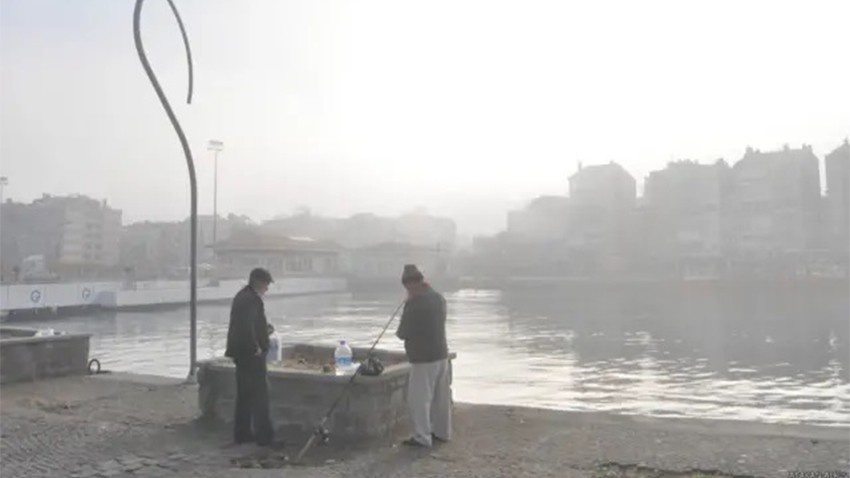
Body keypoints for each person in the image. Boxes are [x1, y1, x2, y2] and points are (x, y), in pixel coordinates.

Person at [395, 264, 452, 447]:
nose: (407, 290)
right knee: (440, 399)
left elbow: (403, 332)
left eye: (407, 286)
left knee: (419, 400)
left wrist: (408, 304)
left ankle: (422, 437)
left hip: (423, 359)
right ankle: (442, 432)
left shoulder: (415, 304)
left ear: (411, 284)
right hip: (441, 354)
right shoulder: (438, 298)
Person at [225, 267, 275, 446]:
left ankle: (242, 433)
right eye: (266, 284)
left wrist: (265, 329)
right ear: (257, 281)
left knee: (245, 395)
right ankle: (265, 436)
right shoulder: (252, 299)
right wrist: (256, 347)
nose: (267, 289)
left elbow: (249, 323)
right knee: (260, 394)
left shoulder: (242, 296)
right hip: (250, 355)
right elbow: (246, 326)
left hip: (240, 353)